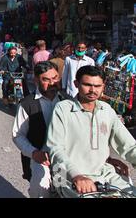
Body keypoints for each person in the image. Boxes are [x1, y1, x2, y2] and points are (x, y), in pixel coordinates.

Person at [47, 66, 136, 197]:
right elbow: (55, 148)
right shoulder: (63, 109)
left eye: (97, 86)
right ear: (76, 84)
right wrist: (76, 175)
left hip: (103, 173)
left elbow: (128, 145)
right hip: (67, 176)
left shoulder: (107, 110)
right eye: (87, 85)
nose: (93, 90)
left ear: (103, 87)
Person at [12, 61, 69, 198]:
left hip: (61, 158)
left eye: (55, 78)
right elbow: (18, 135)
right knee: (41, 188)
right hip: (39, 158)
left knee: (61, 189)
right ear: (36, 80)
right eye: (46, 79)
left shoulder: (66, 102)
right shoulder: (27, 104)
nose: (52, 83)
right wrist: (34, 153)